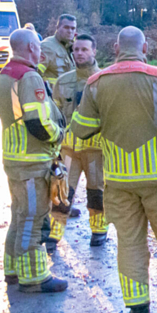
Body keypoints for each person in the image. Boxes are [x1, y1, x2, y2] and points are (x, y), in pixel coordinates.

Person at [72, 26, 157, 313]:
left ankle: (138, 311)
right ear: (145, 48)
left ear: (115, 49)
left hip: (119, 180)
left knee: (129, 242)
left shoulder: (95, 83)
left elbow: (81, 129)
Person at [0, 28, 68, 293]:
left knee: (19, 216)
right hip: (32, 160)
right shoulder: (29, 77)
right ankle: (34, 277)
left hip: (15, 158)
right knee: (33, 218)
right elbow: (37, 121)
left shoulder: (7, 73)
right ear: (31, 48)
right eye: (38, 46)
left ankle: (13, 269)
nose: (41, 51)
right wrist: (58, 135)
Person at [51, 34, 107, 246]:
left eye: (84, 49)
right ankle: (54, 233)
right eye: (76, 49)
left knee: (97, 192)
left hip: (96, 149)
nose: (79, 53)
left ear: (94, 51)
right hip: (68, 149)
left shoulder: (105, 81)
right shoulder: (63, 82)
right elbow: (54, 114)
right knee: (62, 190)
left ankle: (99, 231)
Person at [38, 14, 77, 87]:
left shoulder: (73, 47)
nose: (70, 31)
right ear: (57, 28)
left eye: (73, 28)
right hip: (52, 93)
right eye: (66, 27)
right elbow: (36, 74)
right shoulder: (47, 46)